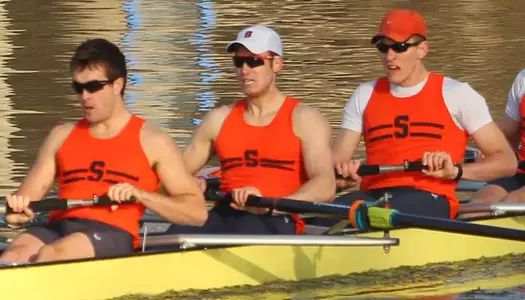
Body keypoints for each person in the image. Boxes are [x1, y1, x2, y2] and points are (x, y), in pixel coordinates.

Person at [0, 38, 207, 263]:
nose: (84, 96)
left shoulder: (154, 141)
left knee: (51, 254)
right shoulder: (61, 135)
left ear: (118, 85)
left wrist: (142, 195)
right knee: (12, 255)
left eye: (93, 87)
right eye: (78, 87)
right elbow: (25, 202)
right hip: (60, 226)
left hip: (113, 232)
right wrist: (16, 215)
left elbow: (197, 212)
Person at [330, 9, 517, 221]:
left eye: (399, 47)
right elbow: (333, 167)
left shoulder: (457, 94)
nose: (389, 56)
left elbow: (506, 162)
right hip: (372, 195)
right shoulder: (364, 94)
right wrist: (344, 177)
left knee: (383, 213)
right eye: (383, 47)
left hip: (430, 197)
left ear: (422, 50)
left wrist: (455, 172)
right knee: (321, 215)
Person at [166, 25, 336, 235]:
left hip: (276, 217)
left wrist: (273, 205)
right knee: (176, 232)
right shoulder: (218, 119)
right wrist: (186, 183)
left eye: (254, 61)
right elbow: (169, 176)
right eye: (239, 62)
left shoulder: (305, 119)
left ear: (277, 64)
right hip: (225, 214)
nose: (244, 70)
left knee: (244, 228)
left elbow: (325, 185)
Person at [472, 69, 525, 203]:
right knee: (481, 202)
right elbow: (507, 132)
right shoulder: (523, 78)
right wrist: (492, 150)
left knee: (513, 200)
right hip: (521, 171)